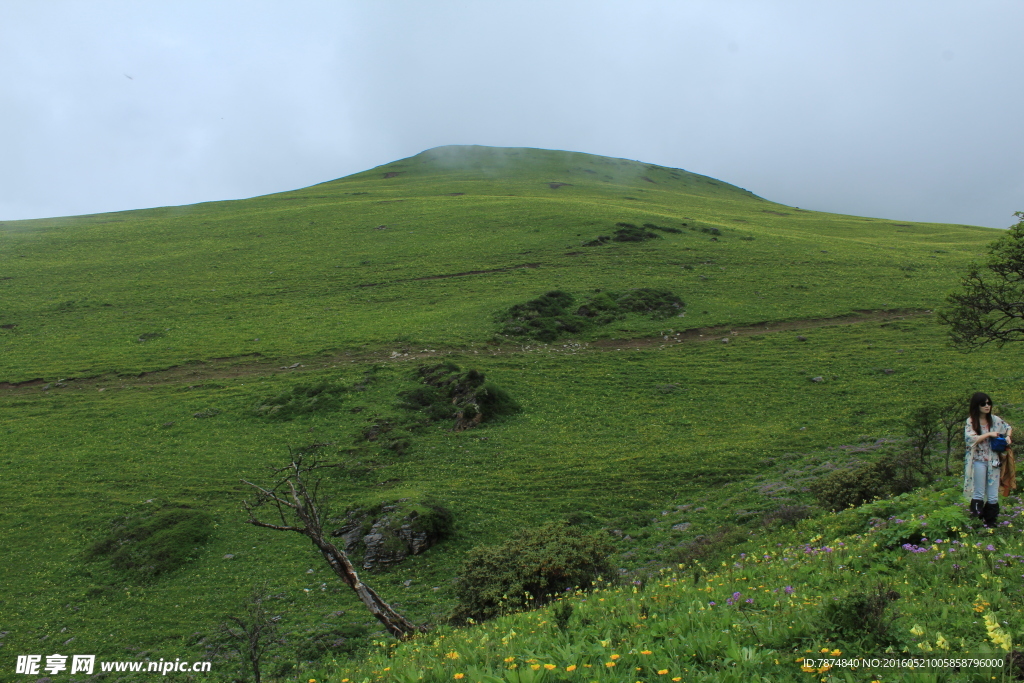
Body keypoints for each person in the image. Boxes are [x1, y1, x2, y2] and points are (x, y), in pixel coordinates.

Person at [964, 392, 1012, 527]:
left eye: (989, 403)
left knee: (993, 493)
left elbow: (1008, 427)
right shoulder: (971, 421)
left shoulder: (995, 419)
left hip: (994, 460)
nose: (987, 406)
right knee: (979, 491)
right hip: (978, 460)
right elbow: (970, 439)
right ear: (976, 405)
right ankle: (977, 521)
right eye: (983, 404)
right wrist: (988, 434)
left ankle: (991, 523)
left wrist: (1008, 437)